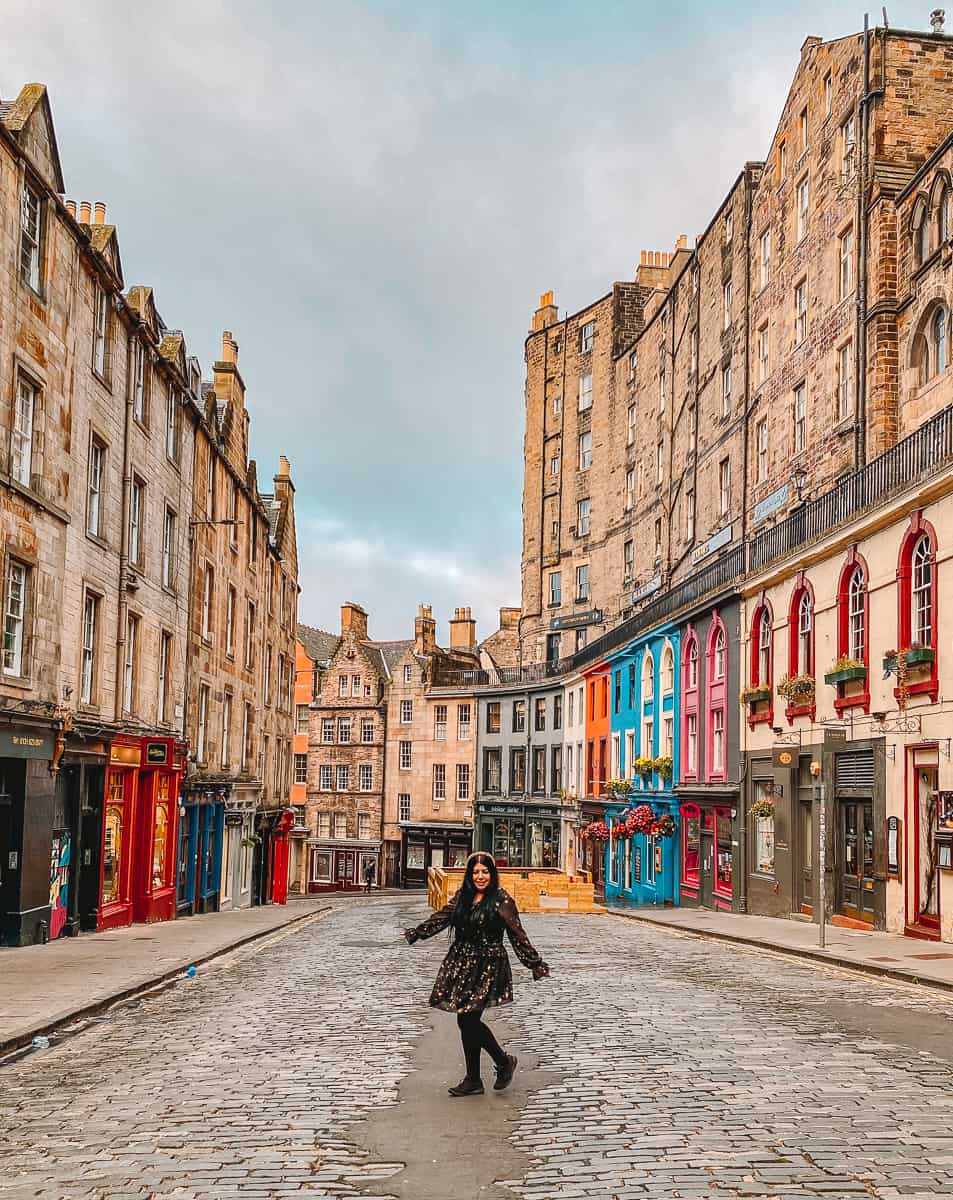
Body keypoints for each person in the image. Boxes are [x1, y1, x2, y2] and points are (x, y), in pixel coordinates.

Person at [403, 851, 550, 1097]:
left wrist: (534, 963)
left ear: (492, 874)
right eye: (476, 872)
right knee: (466, 1019)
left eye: (485, 872)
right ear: (469, 875)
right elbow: (443, 917)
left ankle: (497, 1065)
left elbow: (517, 934)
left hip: (488, 965)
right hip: (462, 963)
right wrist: (418, 933)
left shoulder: (501, 899)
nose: (480, 876)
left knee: (468, 1019)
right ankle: (478, 1076)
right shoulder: (464, 897)